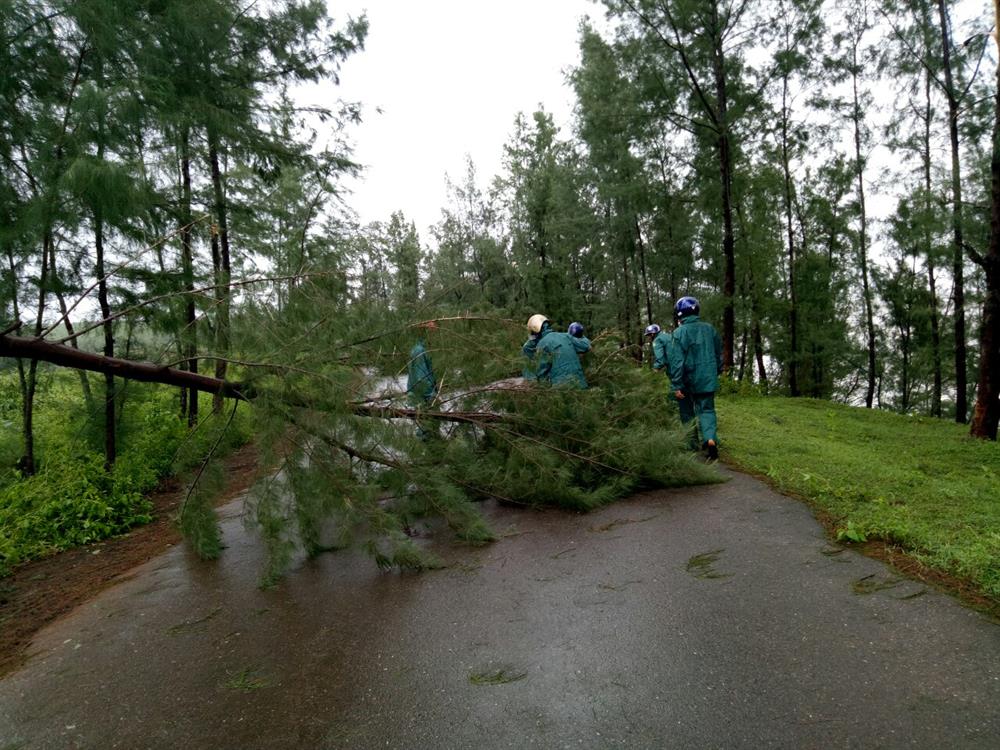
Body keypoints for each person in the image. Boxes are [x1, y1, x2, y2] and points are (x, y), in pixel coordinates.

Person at [667, 297, 723, 459]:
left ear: (679, 315)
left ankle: (692, 446)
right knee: (707, 410)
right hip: (707, 378)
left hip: (687, 380)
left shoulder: (679, 333)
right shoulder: (710, 329)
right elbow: (718, 354)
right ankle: (710, 439)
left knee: (687, 413)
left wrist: (676, 384)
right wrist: (716, 372)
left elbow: (677, 362)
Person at [522, 314, 591, 388]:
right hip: (580, 383)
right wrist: (579, 333)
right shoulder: (566, 336)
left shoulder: (542, 344)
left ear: (536, 331)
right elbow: (586, 346)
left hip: (562, 389)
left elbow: (542, 372)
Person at [407, 321, 439, 439]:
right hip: (423, 397)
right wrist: (432, 396)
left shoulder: (422, 348)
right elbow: (421, 379)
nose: (435, 335)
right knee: (427, 430)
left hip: (420, 396)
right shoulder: (420, 350)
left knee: (428, 429)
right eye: (433, 332)